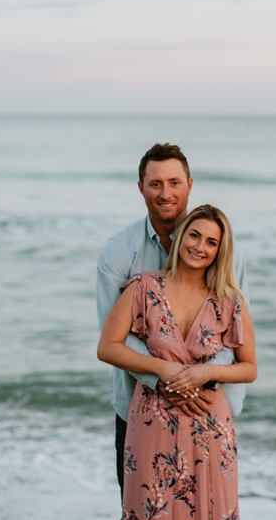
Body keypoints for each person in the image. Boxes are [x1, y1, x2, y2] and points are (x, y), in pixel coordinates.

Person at [96, 203, 258, 520]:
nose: (200, 247)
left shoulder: (229, 299)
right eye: (195, 236)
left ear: (218, 250)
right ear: (181, 235)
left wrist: (207, 370)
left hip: (211, 430)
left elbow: (248, 366)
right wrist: (166, 370)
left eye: (211, 242)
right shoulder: (142, 287)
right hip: (153, 426)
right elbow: (109, 346)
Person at [96, 144, 248, 495]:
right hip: (139, 399)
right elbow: (112, 333)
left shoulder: (225, 249)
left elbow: (235, 329)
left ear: (190, 185)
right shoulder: (120, 253)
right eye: (155, 184)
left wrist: (200, 378)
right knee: (141, 510)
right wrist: (163, 375)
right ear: (140, 188)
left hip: (206, 402)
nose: (166, 193)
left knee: (205, 514)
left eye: (175, 182)